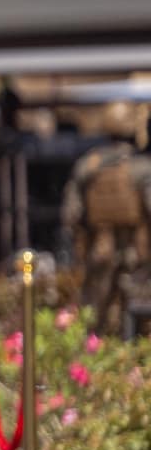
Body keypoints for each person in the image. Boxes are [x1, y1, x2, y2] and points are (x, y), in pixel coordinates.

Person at [62, 103, 151, 333]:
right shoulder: (142, 167)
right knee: (137, 317)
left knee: (95, 315)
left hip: (100, 249)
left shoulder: (87, 165)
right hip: (136, 252)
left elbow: (71, 214)